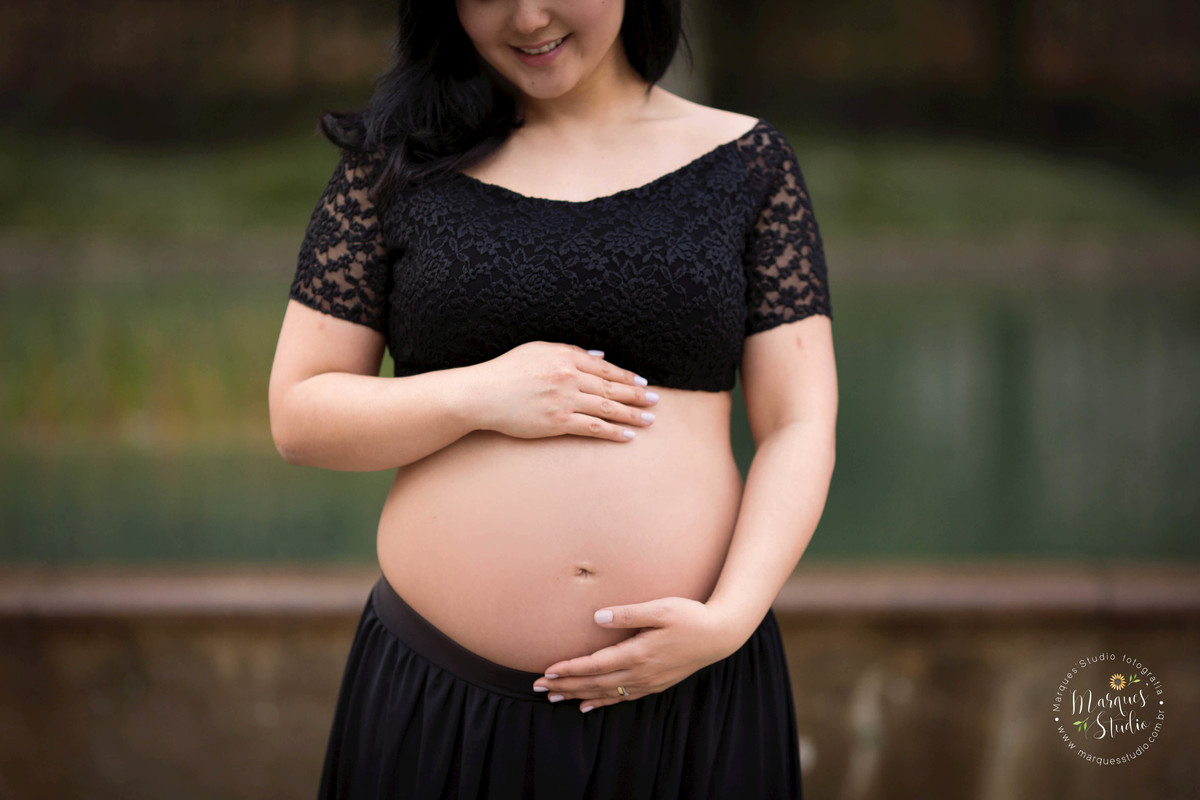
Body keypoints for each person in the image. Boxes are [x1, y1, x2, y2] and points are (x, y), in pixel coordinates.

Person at [268, 0, 837, 797]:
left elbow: (798, 425)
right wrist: (479, 395)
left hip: (694, 692)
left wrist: (728, 622)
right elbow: (300, 414)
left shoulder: (747, 162)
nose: (527, 16)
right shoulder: (394, 164)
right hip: (444, 700)